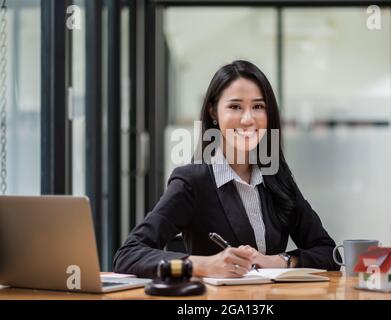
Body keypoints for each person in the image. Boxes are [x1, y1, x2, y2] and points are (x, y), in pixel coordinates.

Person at [113, 60, 340, 278]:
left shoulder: (276, 178)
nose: (248, 119)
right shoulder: (192, 181)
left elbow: (329, 253)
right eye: (235, 106)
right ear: (213, 112)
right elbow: (128, 254)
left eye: (258, 106)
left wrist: (279, 260)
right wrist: (203, 264)